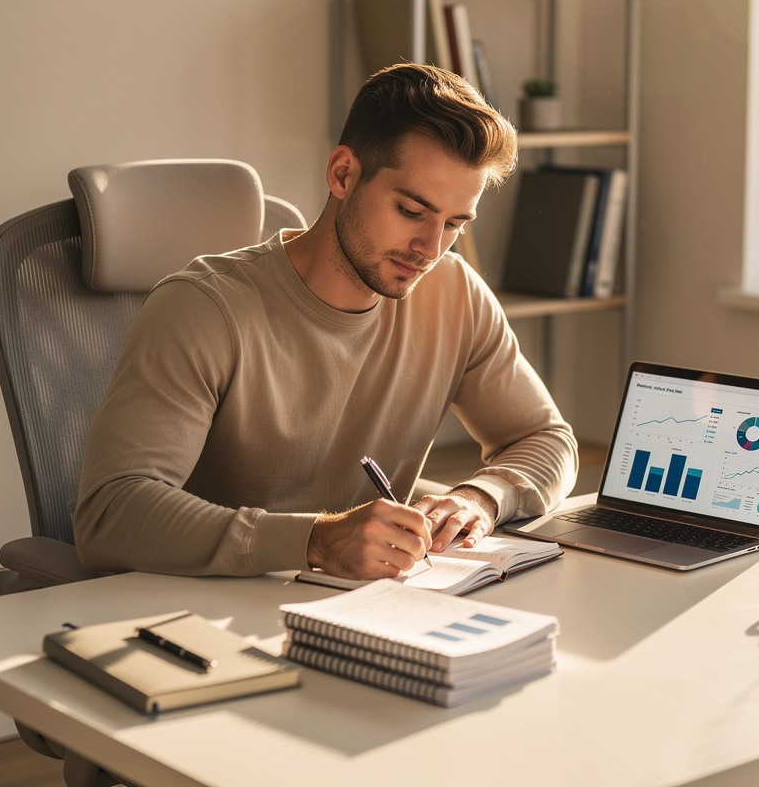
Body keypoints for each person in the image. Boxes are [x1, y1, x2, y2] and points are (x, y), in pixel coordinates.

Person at [74, 63, 578, 580]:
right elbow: (112, 513)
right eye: (410, 211)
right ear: (342, 174)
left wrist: (482, 497)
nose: (431, 249)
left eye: (453, 223)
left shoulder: (454, 294)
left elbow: (547, 439)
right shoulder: (202, 310)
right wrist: (315, 541)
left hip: (366, 609)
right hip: (202, 616)